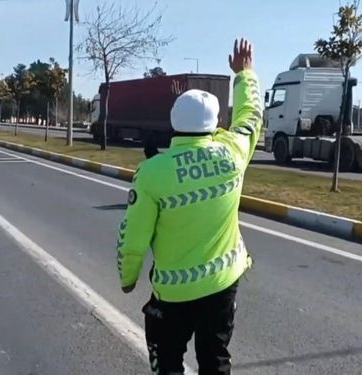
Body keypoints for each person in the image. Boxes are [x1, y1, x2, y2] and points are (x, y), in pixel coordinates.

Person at [116, 38, 261, 374]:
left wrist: (128, 277)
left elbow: (133, 236)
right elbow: (250, 117)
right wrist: (244, 75)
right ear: (214, 124)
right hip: (224, 283)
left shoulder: (152, 173)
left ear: (174, 123)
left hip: (174, 293)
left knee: (167, 362)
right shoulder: (232, 153)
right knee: (215, 359)